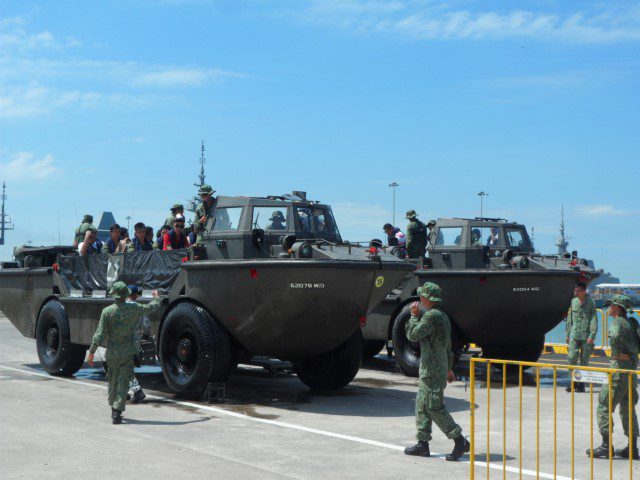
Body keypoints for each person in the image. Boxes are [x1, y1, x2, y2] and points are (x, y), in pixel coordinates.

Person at [404, 282, 470, 461]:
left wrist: (413, 316)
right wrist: (448, 368)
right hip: (434, 367)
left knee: (433, 406)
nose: (419, 299)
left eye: (422, 296)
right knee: (422, 404)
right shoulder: (442, 316)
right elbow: (447, 346)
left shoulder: (431, 316)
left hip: (432, 369)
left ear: (428, 298)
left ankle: (459, 439)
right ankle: (422, 444)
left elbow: (412, 335)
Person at [87, 282, 161, 424]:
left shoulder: (107, 312)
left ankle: (114, 405)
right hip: (127, 353)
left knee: (113, 382)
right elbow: (151, 307)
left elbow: (100, 334)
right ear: (126, 294)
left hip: (112, 354)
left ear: (114, 294)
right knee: (123, 383)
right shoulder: (134, 309)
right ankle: (117, 411)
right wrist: (157, 298)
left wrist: (91, 352)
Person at [586, 294, 639, 459]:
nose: (608, 308)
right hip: (630, 372)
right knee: (628, 408)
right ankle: (632, 448)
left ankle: (606, 446)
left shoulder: (617, 323)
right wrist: (629, 355)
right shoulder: (632, 323)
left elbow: (614, 336)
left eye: (611, 306)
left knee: (603, 405)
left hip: (618, 373)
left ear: (617, 308)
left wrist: (616, 354)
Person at [565, 281, 598, 393]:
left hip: (586, 335)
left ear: (584, 291)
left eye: (577, 291)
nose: (576, 292)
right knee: (572, 357)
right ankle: (572, 381)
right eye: (575, 290)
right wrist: (568, 334)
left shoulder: (591, 302)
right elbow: (570, 319)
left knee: (584, 360)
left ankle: (581, 383)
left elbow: (594, 318)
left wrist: (592, 335)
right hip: (574, 334)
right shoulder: (573, 301)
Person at [126, 285, 150, 404]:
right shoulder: (140, 308)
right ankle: (125, 392)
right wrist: (145, 335)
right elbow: (146, 326)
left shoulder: (122, 307)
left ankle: (137, 391)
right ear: (136, 295)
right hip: (134, 343)